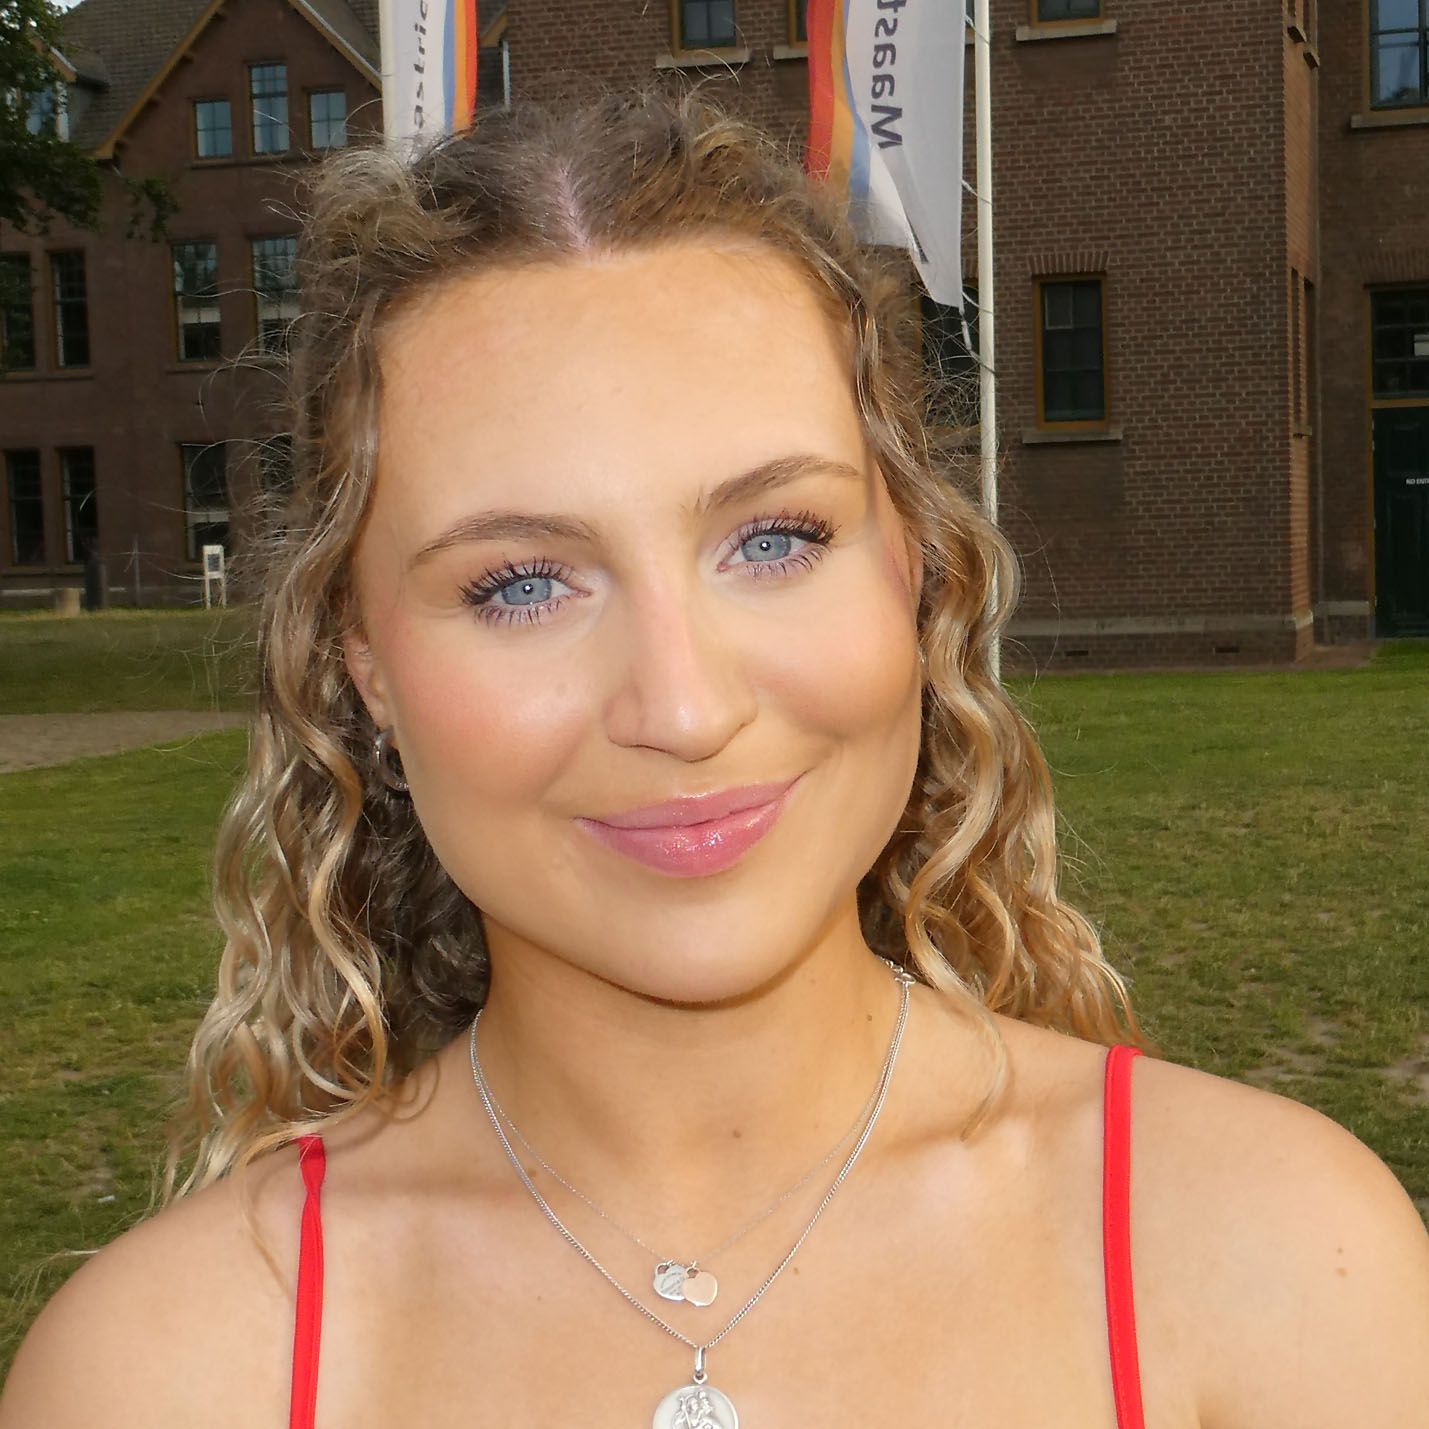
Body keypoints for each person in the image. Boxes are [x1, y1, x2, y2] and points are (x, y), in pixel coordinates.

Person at [3, 91, 1426, 1429]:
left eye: (774, 539)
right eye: (520, 583)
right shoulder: (169, 1370)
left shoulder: (1272, 1261)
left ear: (918, 573)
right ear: (361, 664)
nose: (681, 708)